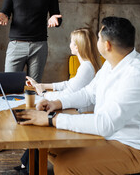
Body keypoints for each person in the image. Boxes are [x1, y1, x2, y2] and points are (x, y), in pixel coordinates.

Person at [18, 16, 140, 174]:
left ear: (107, 45)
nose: (96, 41)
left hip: (131, 147)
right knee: (47, 145)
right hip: (108, 136)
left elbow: (105, 125)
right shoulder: (111, 63)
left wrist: (51, 119)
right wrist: (57, 103)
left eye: (99, 38)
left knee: (64, 166)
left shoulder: (137, 74)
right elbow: (88, 93)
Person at [15, 28, 102, 173]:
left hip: (79, 113)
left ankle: (31, 167)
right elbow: (68, 84)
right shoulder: (87, 65)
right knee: (40, 116)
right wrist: (42, 85)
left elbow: (67, 94)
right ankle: (28, 164)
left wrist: (43, 93)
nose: (69, 45)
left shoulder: (87, 67)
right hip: (77, 109)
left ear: (77, 46)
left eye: (71, 42)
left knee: (40, 121)